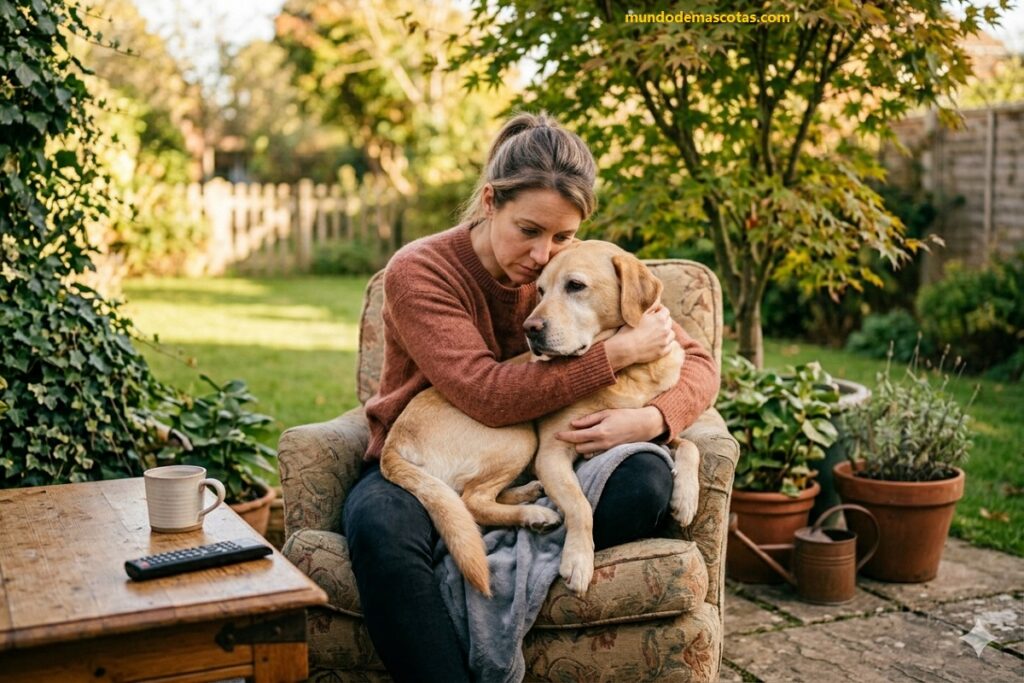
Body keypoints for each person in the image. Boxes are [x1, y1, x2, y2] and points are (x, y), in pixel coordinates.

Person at [342, 111, 720, 682]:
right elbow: (485, 395)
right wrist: (613, 355)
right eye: (529, 231)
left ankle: (519, 529)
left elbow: (694, 361)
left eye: (563, 236)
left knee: (646, 483)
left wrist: (652, 419)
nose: (546, 255)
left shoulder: (587, 269)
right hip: (431, 446)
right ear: (491, 201)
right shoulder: (421, 270)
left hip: (537, 462)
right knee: (378, 534)